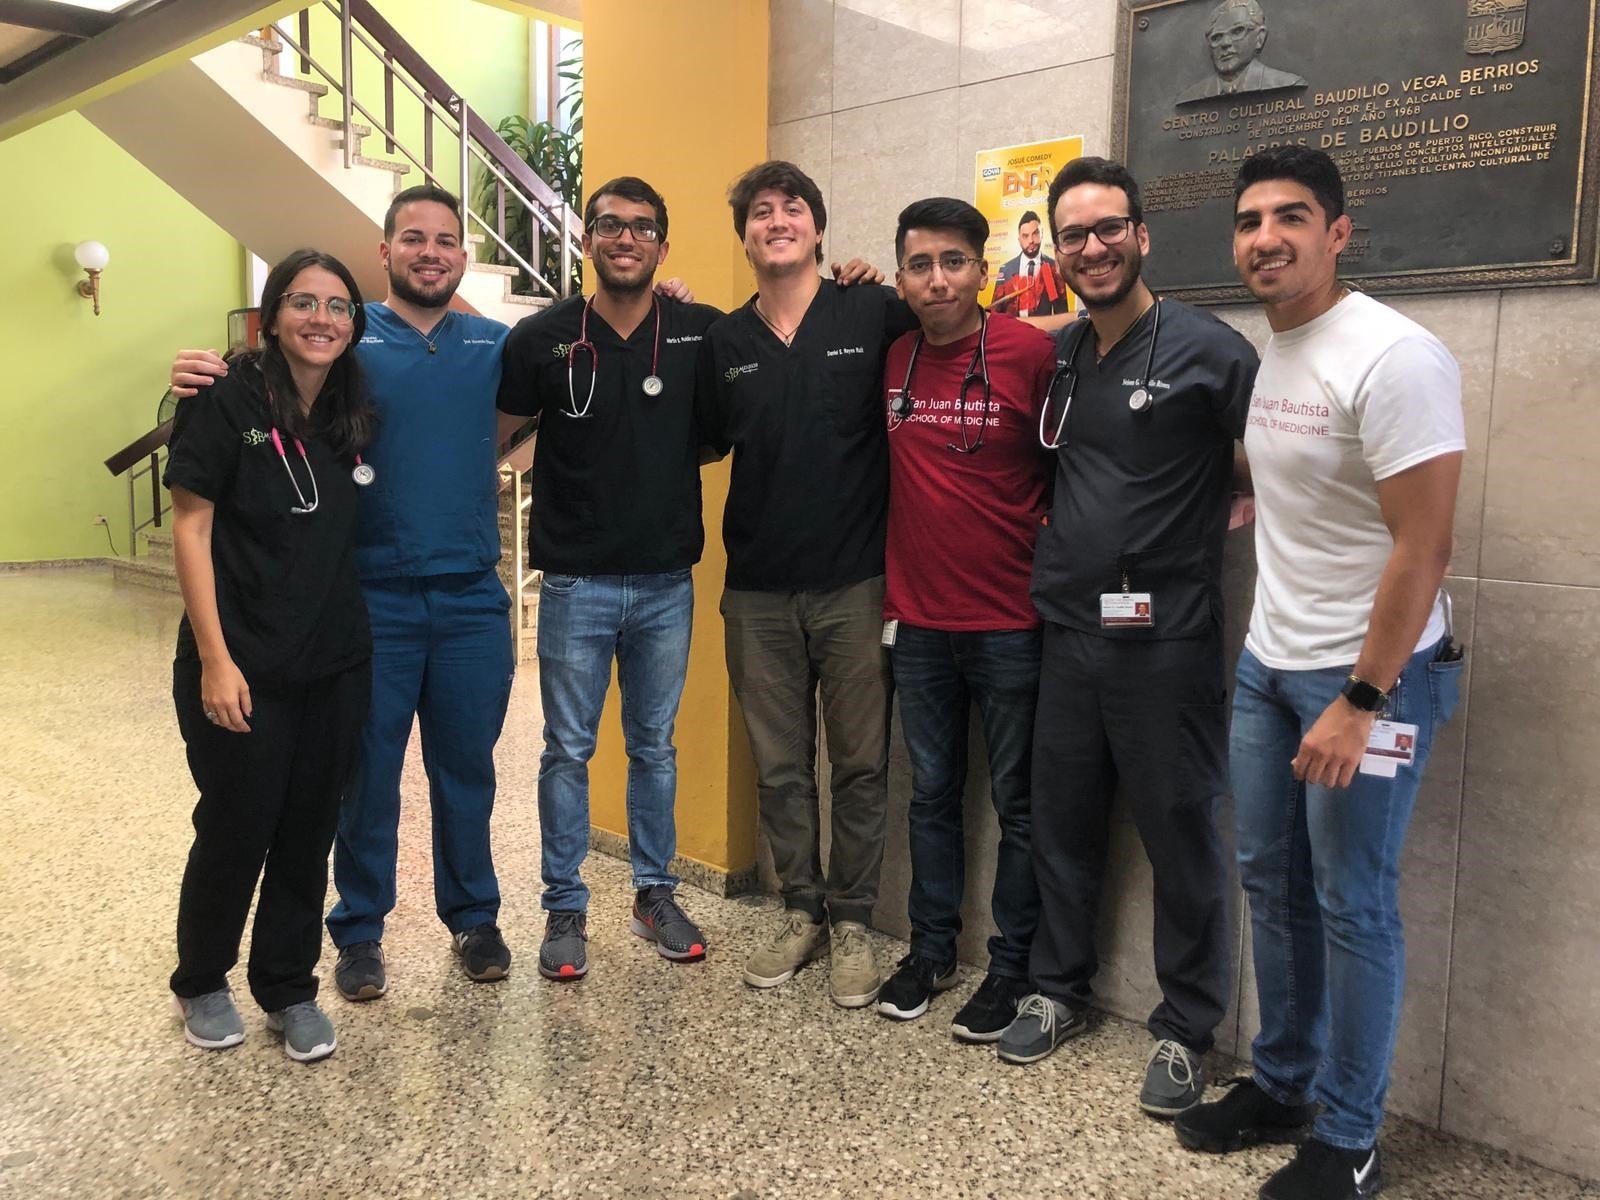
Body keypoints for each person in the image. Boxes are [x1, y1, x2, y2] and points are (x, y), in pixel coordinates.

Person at [1176, 145, 1465, 1200]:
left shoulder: (1395, 356)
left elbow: (1423, 547)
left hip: (1368, 683)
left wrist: (1361, 700)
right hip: (1269, 664)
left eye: (1291, 217)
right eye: (1250, 220)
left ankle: (1349, 1139)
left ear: (1337, 232)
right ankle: (1283, 1084)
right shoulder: (1277, 348)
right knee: (1271, 883)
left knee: (1352, 904)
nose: (1266, 238)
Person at [171, 185, 517, 1000]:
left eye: (445, 240)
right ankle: (359, 929)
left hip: (471, 600)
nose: (430, 252)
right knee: (365, 777)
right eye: (413, 238)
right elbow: (269, 385)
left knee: (467, 771)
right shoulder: (353, 346)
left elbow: (584, 351)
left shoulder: (497, 346)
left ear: (463, 256)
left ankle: (474, 917)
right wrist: (195, 373)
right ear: (386, 251)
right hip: (371, 601)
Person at [997, 158, 1259, 1123]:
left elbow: (1283, 461)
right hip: (1070, 630)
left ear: (1142, 236)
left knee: (1180, 833)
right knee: (1061, 821)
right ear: (1055, 251)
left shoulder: (1210, 349)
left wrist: (1233, 494)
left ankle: (1187, 1029)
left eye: (1109, 229)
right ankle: (1057, 988)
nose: (1092, 248)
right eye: (1074, 234)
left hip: (1168, 641)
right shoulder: (1062, 353)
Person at [696, 160, 917, 1009]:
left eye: (792, 208)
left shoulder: (871, 310)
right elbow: (701, 440)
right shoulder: (724, 343)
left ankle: (853, 919)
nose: (777, 221)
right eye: (761, 211)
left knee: (859, 763)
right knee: (781, 766)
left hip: (856, 584)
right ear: (745, 237)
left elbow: (953, 337)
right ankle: (801, 909)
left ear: (819, 229)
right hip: (756, 590)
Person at [495, 177, 723, 980]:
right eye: (610, 225)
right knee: (567, 748)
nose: (626, 239)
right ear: (588, 239)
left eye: (643, 227)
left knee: (654, 746)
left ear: (663, 244)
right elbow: (497, 435)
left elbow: (711, 437)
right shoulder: (542, 337)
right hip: (574, 583)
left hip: (665, 581)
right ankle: (564, 906)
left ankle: (654, 893)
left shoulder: (697, 331)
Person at [166, 249, 375, 1063]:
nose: (322, 319)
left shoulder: (352, 408)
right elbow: (192, 529)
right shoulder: (224, 397)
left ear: (354, 323)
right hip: (241, 659)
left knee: (309, 829)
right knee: (236, 823)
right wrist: (215, 660)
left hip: (333, 661)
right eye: (303, 302)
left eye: (338, 306)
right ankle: (201, 979)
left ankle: (288, 986)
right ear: (272, 315)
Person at [871, 197, 1056, 1040]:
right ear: (901, 277)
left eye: (953, 262)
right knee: (932, 797)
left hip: (1012, 621)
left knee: (1020, 805)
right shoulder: (894, 356)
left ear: (983, 270)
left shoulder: (1030, 354)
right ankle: (931, 950)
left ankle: (1012, 968)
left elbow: (1068, 470)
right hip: (917, 624)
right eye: (920, 264)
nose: (937, 279)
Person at [1176, 0, 1307, 105]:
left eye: (1237, 31)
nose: (1225, 43)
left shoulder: (1289, 84)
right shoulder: (1190, 98)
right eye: (1216, 37)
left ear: (1259, 38)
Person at [992, 210, 1069, 318]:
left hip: (1043, 328)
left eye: (1035, 233)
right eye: (1025, 236)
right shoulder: (1006, 270)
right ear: (1019, 239)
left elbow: (1061, 314)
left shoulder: (1052, 268)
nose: (1031, 240)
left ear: (1042, 234)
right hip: (1014, 328)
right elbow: (995, 313)